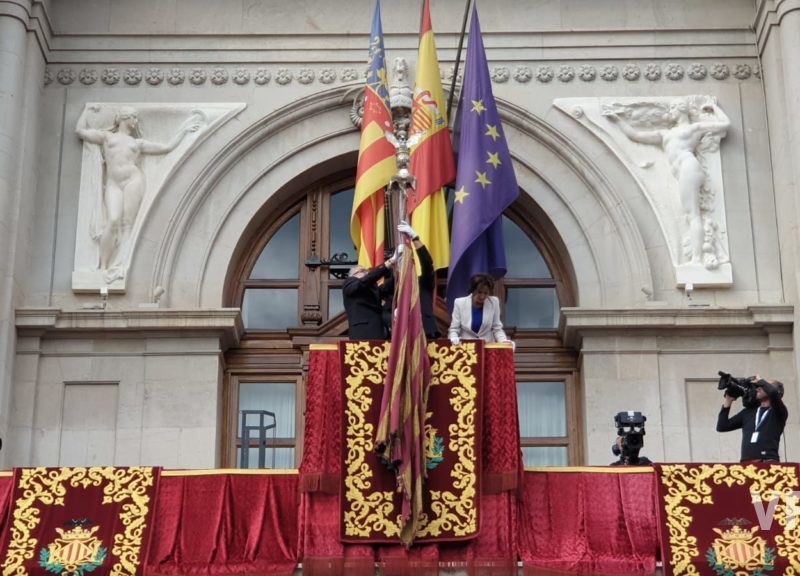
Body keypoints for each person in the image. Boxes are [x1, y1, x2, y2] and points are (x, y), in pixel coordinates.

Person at [605, 97, 730, 267]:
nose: (669, 112)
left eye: (672, 108)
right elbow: (635, 135)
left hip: (689, 167)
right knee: (690, 214)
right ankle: (696, 257)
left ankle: (697, 259)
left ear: (680, 109)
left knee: (692, 214)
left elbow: (725, 124)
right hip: (683, 172)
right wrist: (618, 120)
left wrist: (714, 108)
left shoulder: (694, 128)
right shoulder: (665, 134)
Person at [76, 105, 200, 275]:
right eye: (134, 117)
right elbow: (80, 131)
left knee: (128, 224)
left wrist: (184, 130)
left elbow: (167, 147)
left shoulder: (137, 143)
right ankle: (103, 267)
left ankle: (120, 264)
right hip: (113, 183)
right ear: (125, 118)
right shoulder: (107, 137)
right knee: (113, 220)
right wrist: (87, 110)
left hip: (133, 181)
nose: (136, 121)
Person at [716, 375, 788, 462]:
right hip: (746, 463)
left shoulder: (778, 411)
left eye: (762, 386)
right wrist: (728, 400)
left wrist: (760, 380)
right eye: (758, 387)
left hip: (768, 461)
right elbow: (722, 426)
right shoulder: (748, 412)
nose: (758, 388)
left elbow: (772, 392)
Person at [396, 220, 439, 339]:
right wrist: (394, 315)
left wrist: (415, 238)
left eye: (408, 264)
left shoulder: (423, 282)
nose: (406, 267)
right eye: (401, 264)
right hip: (402, 336)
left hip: (426, 333)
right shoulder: (394, 287)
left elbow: (427, 263)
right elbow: (384, 312)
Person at [448, 274, 510, 345]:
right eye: (479, 292)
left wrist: (504, 342)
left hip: (487, 346)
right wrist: (453, 338)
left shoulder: (494, 302)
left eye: (486, 293)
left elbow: (497, 328)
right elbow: (454, 329)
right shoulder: (459, 303)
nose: (482, 296)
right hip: (467, 348)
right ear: (473, 291)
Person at [343, 257, 396, 340]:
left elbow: (388, 287)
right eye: (362, 271)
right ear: (353, 275)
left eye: (367, 271)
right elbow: (364, 281)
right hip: (363, 334)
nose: (367, 273)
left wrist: (398, 270)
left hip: (380, 333)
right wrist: (388, 263)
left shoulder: (373, 290)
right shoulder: (349, 283)